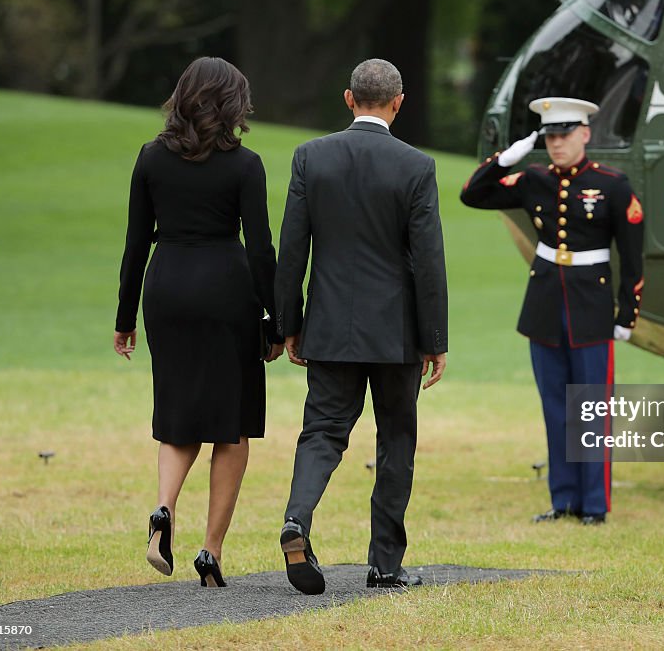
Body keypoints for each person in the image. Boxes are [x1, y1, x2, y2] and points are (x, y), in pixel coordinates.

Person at [274, 59, 448, 594]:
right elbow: (429, 260)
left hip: (328, 326)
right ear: (398, 102)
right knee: (395, 438)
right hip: (394, 334)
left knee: (322, 433)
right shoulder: (416, 167)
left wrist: (289, 324)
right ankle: (384, 566)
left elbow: (292, 251)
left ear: (349, 99)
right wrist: (434, 339)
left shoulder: (310, 158)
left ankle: (297, 520)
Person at [113, 56, 284, 588]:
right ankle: (210, 551)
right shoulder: (245, 164)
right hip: (225, 292)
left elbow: (135, 244)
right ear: (233, 103)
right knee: (230, 427)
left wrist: (124, 318)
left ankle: (163, 511)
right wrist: (276, 319)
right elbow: (260, 249)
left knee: (178, 410)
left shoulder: (149, 158)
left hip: (165, 289)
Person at [460, 97, 644, 526]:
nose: (557, 144)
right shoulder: (534, 179)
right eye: (550, 137)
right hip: (545, 303)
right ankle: (562, 500)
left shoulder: (614, 185)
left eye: (564, 135)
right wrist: (506, 158)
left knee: (590, 408)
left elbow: (633, 258)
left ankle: (594, 506)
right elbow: (473, 194)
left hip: (592, 307)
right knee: (555, 407)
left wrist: (627, 314)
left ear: (585, 134)